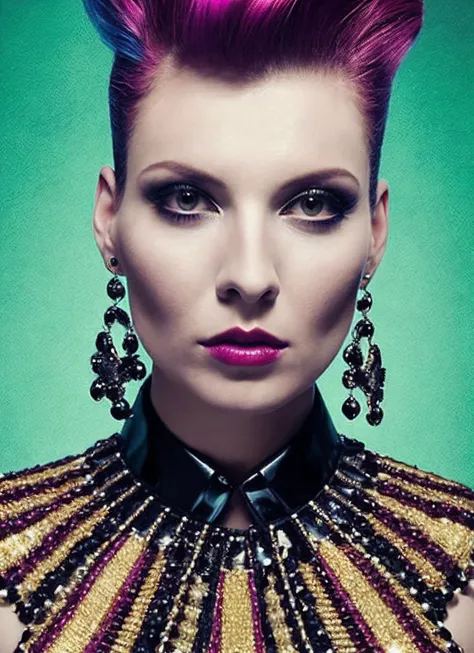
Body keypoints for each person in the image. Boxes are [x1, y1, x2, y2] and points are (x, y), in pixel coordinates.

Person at [1, 0, 473, 650]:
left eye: (312, 204)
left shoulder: (463, 585)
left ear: (375, 232)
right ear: (110, 220)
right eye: (187, 199)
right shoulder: (9, 577)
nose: (250, 276)